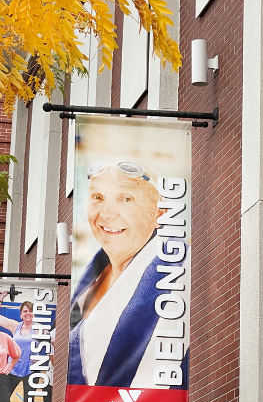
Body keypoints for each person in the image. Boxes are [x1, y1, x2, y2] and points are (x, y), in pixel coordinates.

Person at [68, 158, 188, 388]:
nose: (107, 213)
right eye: (98, 197)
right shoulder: (96, 274)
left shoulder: (172, 273)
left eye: (126, 199)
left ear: (160, 213)